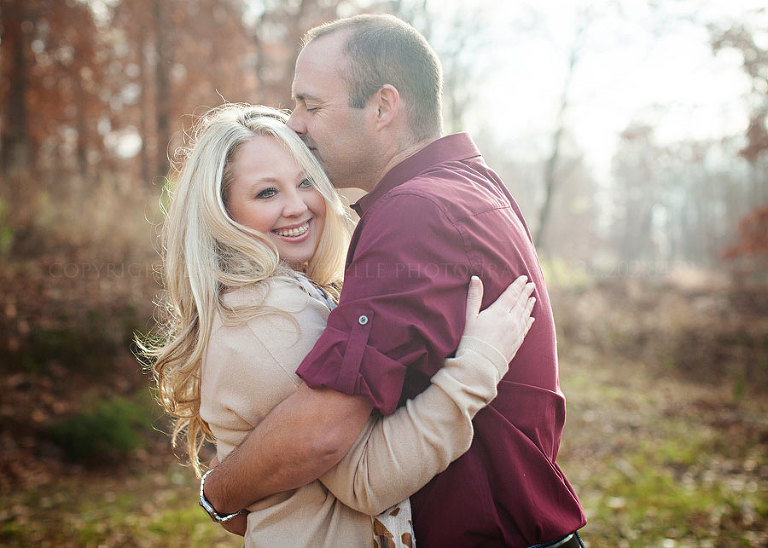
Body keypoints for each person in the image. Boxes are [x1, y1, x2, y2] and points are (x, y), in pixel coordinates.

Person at [203, 14, 587, 548]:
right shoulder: (470, 185)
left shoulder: (415, 213)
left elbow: (324, 433)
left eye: (311, 105)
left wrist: (218, 492)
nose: (295, 124)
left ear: (383, 107)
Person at [145, 103, 537, 546]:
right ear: (222, 211)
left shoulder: (270, 299)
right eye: (267, 193)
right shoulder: (271, 313)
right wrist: (478, 365)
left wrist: (220, 495)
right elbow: (368, 480)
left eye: (306, 182)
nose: (297, 207)